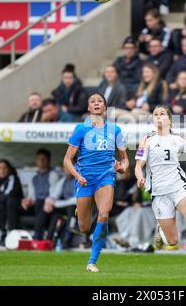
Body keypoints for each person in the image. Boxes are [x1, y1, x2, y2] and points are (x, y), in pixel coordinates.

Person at [135, 105, 186, 275]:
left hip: (179, 187)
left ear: (170, 120)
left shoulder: (178, 138)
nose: (158, 117)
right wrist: (139, 177)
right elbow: (138, 166)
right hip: (159, 192)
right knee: (172, 241)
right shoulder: (146, 140)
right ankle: (161, 230)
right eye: (155, 114)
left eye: (162, 114)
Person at [63, 93, 129, 272]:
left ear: (105, 107)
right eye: (92, 101)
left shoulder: (115, 130)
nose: (96, 103)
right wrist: (77, 176)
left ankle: (92, 261)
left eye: (100, 101)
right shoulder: (81, 129)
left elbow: (125, 159)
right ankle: (81, 210)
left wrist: (121, 168)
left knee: (104, 214)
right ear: (88, 108)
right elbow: (67, 160)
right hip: (85, 180)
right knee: (84, 228)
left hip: (105, 177)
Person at [21, 149, 60, 240]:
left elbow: (53, 194)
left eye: (44, 159)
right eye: (39, 159)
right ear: (36, 160)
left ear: (49, 160)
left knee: (41, 202)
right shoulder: (34, 177)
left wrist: (46, 201)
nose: (41, 161)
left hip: (49, 205)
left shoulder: (53, 174)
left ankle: (37, 234)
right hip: (37, 205)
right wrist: (28, 201)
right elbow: (32, 195)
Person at [43, 164, 78, 248]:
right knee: (55, 213)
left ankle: (67, 239)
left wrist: (56, 203)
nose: (67, 169)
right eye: (65, 167)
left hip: (80, 208)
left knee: (71, 208)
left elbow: (76, 200)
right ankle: (49, 240)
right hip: (67, 206)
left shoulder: (80, 179)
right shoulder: (63, 180)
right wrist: (49, 202)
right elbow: (54, 195)